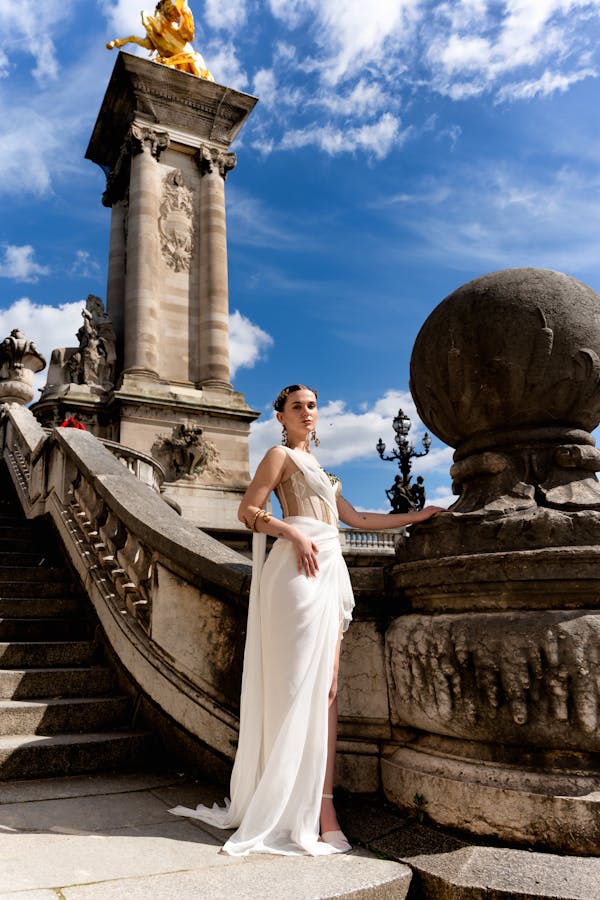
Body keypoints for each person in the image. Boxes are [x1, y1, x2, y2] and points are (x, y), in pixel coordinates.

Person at [170, 384, 443, 856]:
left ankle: (323, 806)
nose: (307, 413)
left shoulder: (325, 472)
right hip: (296, 572)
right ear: (281, 415)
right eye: (297, 406)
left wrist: (418, 516)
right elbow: (247, 511)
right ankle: (289, 806)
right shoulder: (278, 456)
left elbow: (355, 519)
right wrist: (290, 531)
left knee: (329, 690)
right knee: (298, 686)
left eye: (312, 406)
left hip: (331, 572)